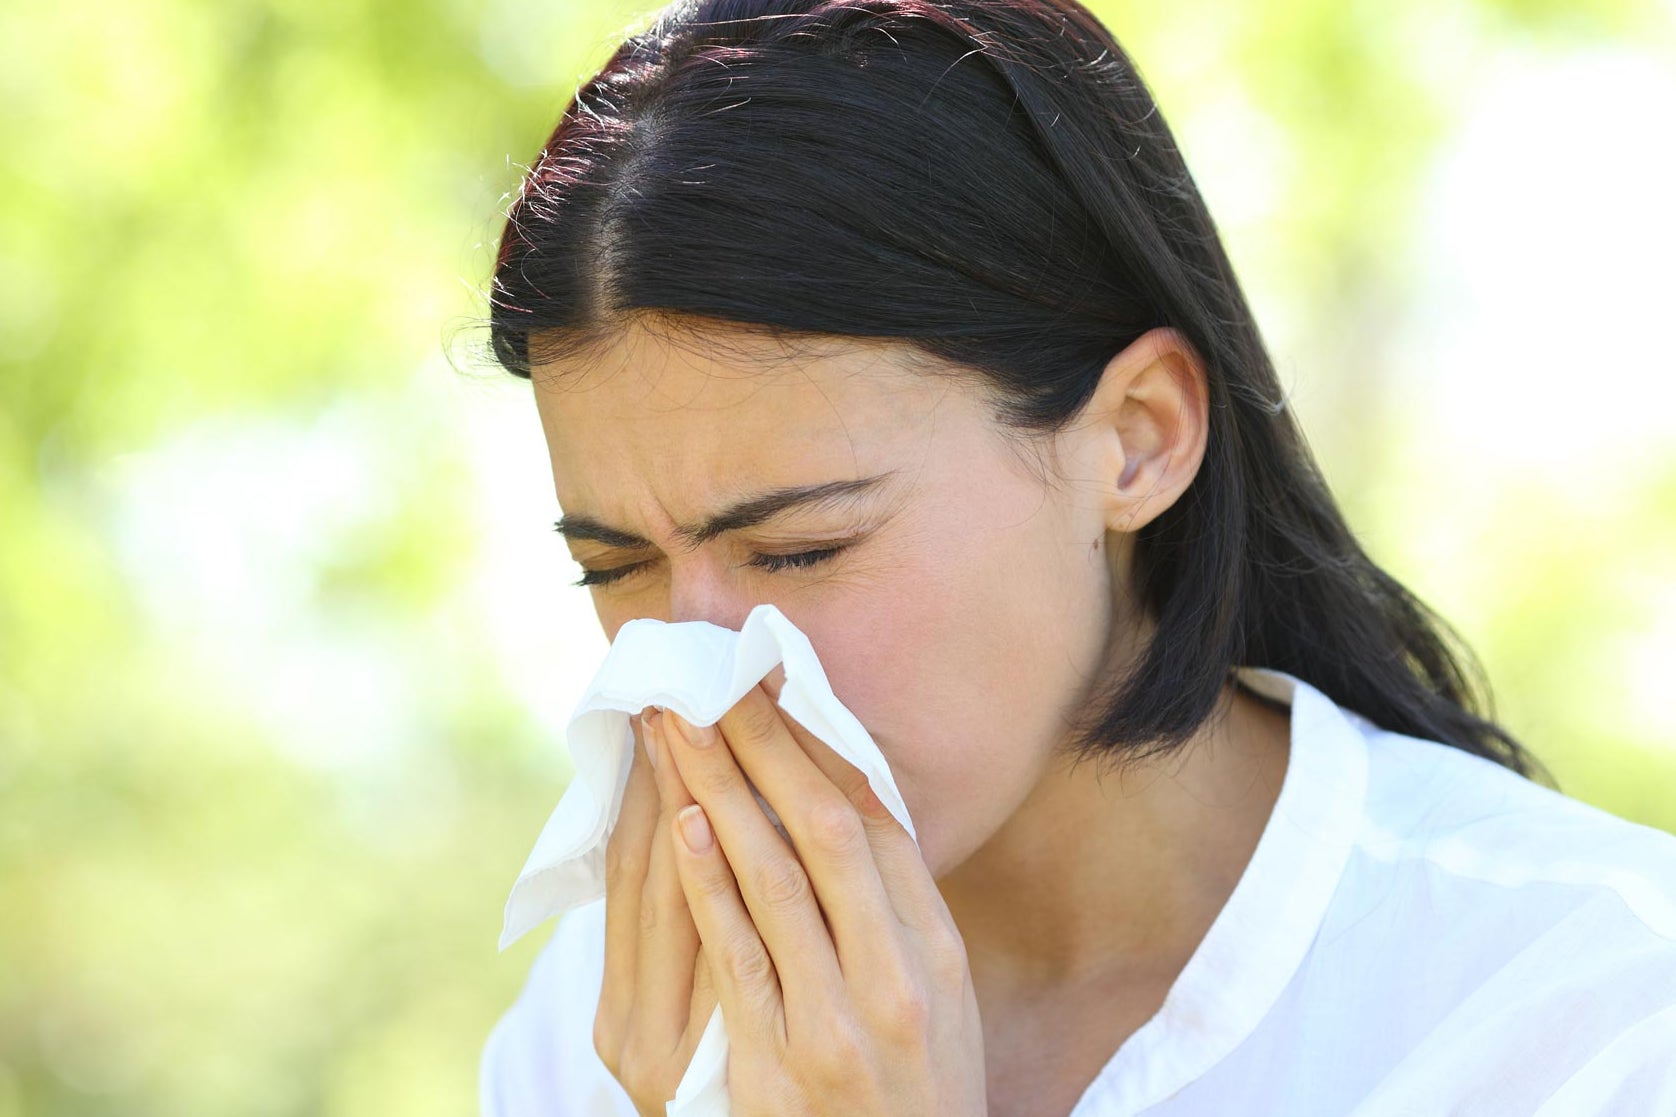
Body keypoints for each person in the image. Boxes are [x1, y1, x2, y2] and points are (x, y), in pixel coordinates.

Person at [475, 1, 1676, 1113]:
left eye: (801, 550)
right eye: (614, 568)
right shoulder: (620, 1017)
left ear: (1137, 439)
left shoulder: (1588, 1010)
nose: (704, 679)